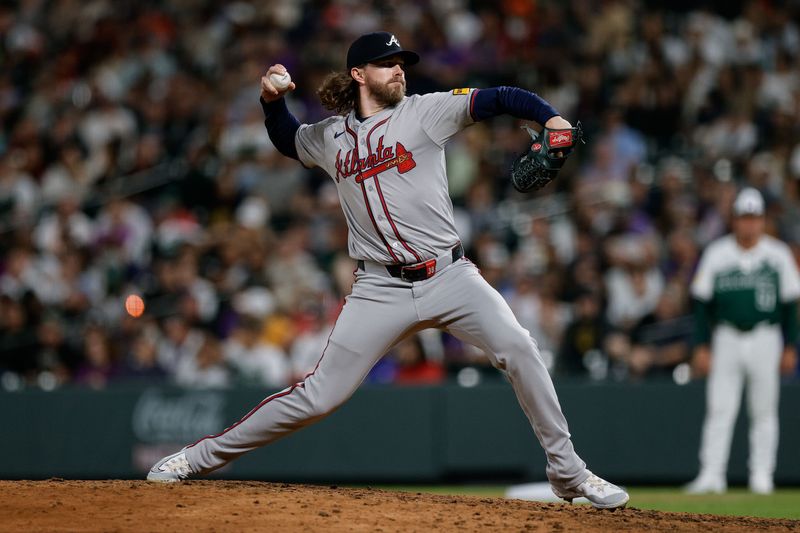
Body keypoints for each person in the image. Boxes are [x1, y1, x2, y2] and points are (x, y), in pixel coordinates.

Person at [146, 31, 629, 510]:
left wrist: (551, 118)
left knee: (520, 348)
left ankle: (569, 473)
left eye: (401, 62)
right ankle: (196, 458)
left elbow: (501, 97)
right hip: (379, 287)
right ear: (359, 74)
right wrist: (270, 101)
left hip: (450, 276)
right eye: (386, 62)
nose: (399, 69)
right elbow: (289, 140)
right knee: (318, 397)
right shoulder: (332, 137)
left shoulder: (425, 111)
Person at [686, 187, 800, 495]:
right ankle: (712, 474)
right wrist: (701, 345)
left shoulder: (777, 254)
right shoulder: (717, 252)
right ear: (734, 219)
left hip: (766, 335)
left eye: (754, 217)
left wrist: (791, 346)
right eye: (744, 217)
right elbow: (701, 305)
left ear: (762, 220)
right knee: (720, 408)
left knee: (764, 410)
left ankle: (762, 475)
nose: (749, 223)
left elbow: (791, 305)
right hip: (726, 336)